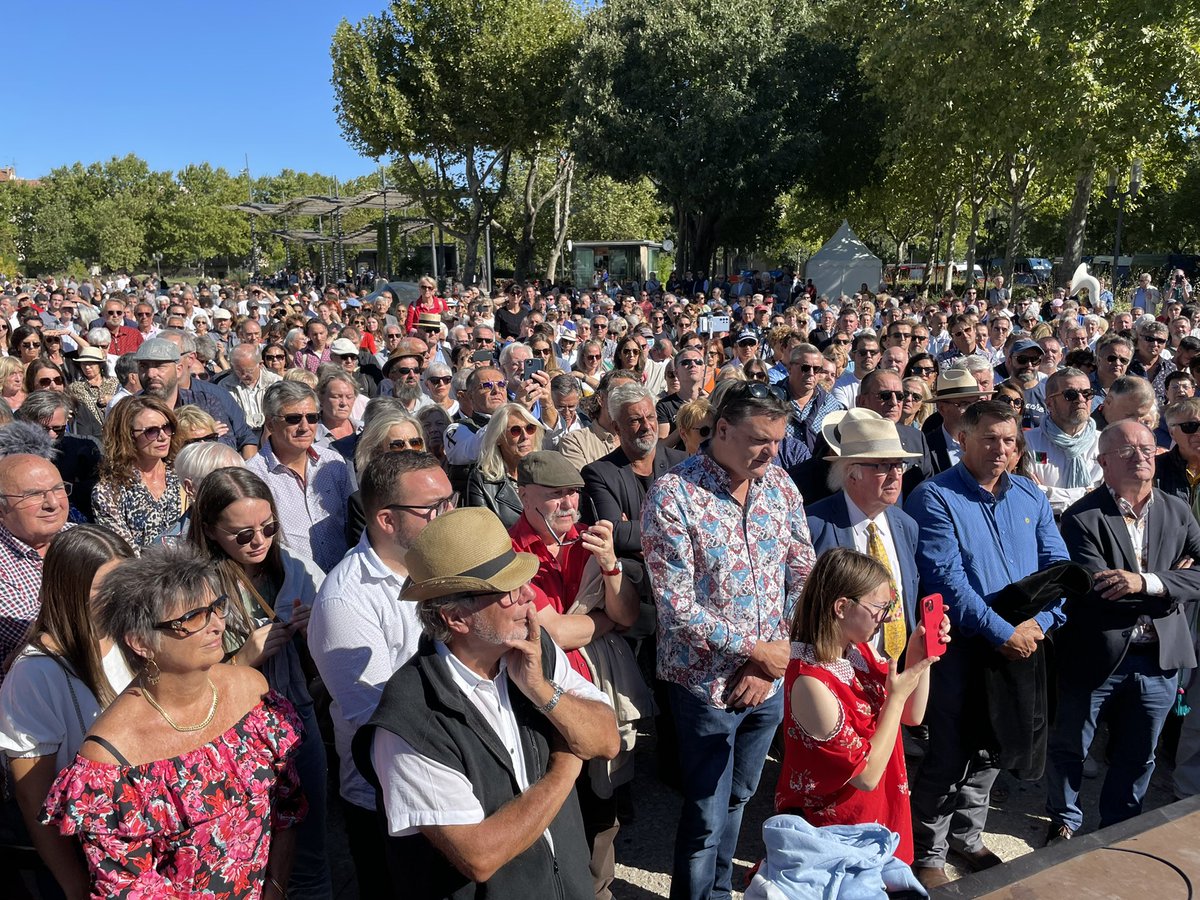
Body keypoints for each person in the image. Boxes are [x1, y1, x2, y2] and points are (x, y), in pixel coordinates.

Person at [354, 506, 620, 898]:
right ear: (456, 618)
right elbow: (479, 855)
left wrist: (543, 692)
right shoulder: (410, 720)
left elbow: (607, 740)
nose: (528, 595)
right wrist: (565, 765)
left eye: (524, 580)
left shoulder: (533, 650)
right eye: (508, 590)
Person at [42, 546, 306, 899]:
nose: (216, 625)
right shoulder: (110, 759)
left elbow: (286, 806)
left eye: (217, 607)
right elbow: (130, 887)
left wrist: (275, 886)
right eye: (193, 618)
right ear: (140, 642)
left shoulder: (251, 690)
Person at [642, 383, 816, 900]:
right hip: (705, 687)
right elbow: (676, 605)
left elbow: (802, 573)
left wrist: (771, 659)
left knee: (740, 795)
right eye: (760, 440)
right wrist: (755, 651)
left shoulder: (780, 485)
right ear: (721, 430)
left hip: (769, 679)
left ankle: (718, 890)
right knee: (704, 813)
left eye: (778, 440)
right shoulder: (673, 494)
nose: (772, 452)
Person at [905, 401, 1070, 889]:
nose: (1001, 449)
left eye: (1009, 440)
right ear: (962, 438)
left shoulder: (1029, 494)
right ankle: (928, 850)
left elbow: (1058, 568)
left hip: (1024, 645)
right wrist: (1003, 632)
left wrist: (1040, 623)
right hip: (964, 648)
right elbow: (947, 580)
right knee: (950, 752)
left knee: (993, 749)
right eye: (990, 439)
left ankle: (967, 836)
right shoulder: (935, 497)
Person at [1048, 421, 1200, 844]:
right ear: (1103, 462)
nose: (1141, 457)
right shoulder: (1083, 516)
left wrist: (1146, 582)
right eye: (1128, 450)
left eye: (1148, 449)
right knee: (1072, 747)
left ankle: (1118, 827)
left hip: (1158, 658)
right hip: (1096, 654)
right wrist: (1171, 588)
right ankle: (1064, 821)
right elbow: (1099, 589)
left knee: (1140, 753)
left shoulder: (1176, 510)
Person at [310, 451, 455, 896]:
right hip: (390, 801)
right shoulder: (345, 601)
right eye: (433, 508)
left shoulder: (445, 561)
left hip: (452, 775)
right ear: (387, 520)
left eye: (451, 501)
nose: (448, 516)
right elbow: (377, 721)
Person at [188, 467, 331, 899]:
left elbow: (332, 659)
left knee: (312, 849)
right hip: (234, 736)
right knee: (246, 856)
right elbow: (181, 685)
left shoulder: (295, 567)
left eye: (269, 528)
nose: (260, 541)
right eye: (243, 534)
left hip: (297, 721)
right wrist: (242, 659)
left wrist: (315, 631)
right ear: (209, 531)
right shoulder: (194, 587)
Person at [510, 451, 643, 899]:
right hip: (544, 696)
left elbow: (628, 613)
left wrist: (610, 566)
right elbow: (552, 633)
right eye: (555, 495)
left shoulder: (588, 540)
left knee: (603, 801)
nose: (569, 503)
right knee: (557, 797)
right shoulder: (509, 552)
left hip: (599, 690)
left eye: (573, 493)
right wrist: (603, 621)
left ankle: (599, 887)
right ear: (524, 496)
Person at [777, 548, 947, 864]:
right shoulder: (810, 683)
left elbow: (911, 715)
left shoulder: (859, 653)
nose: (887, 617)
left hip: (876, 815)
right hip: (840, 835)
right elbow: (865, 776)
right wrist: (895, 698)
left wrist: (920, 654)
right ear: (842, 607)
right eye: (881, 607)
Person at [0, 526, 135, 899]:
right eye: (107, 588)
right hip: (86, 852)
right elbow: (34, 797)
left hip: (138, 836)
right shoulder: (36, 672)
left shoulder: (129, 638)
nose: (123, 595)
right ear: (69, 590)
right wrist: (75, 886)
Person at [804, 417, 922, 650]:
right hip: (836, 663)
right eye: (883, 465)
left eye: (899, 464)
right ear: (851, 473)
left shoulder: (906, 525)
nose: (895, 474)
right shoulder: (814, 526)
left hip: (896, 666)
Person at [247, 381, 353, 573]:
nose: (305, 427)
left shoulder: (333, 462)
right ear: (270, 423)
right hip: (291, 583)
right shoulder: (253, 475)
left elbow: (350, 523)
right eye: (294, 419)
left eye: (312, 417)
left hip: (341, 576)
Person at [93, 395, 183, 549]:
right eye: (152, 431)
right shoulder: (108, 492)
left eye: (167, 427)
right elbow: (123, 553)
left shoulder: (183, 475)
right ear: (128, 436)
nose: (163, 437)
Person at [1024, 368, 1103, 515]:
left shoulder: (1105, 442)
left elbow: (1109, 497)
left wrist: (1049, 493)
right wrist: (1088, 494)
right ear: (1049, 403)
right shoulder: (1027, 442)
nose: (1081, 399)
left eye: (1087, 393)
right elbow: (1030, 497)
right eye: (1070, 395)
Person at [466, 403, 544, 529]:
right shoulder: (482, 480)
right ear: (498, 438)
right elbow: (481, 531)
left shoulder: (548, 470)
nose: (525, 436)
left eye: (530, 428)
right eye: (515, 430)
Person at [66, 347, 117, 440]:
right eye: (84, 364)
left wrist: (113, 400)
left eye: (91, 364)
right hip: (91, 435)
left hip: (115, 432)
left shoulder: (114, 382)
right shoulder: (75, 387)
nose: (87, 367)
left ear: (100, 365)